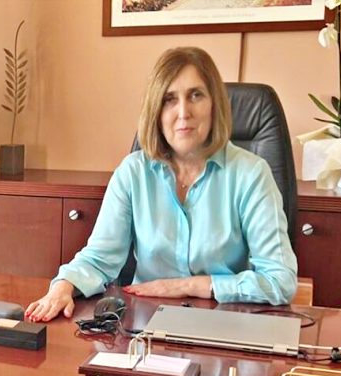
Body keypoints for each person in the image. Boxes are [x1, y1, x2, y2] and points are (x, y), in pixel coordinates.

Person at [26, 47, 297, 322]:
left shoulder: (251, 174)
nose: (183, 112)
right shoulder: (133, 173)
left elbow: (280, 280)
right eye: (169, 99)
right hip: (145, 324)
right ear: (156, 111)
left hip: (225, 322)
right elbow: (99, 258)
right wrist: (63, 287)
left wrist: (191, 286)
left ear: (215, 104)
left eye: (196, 95)